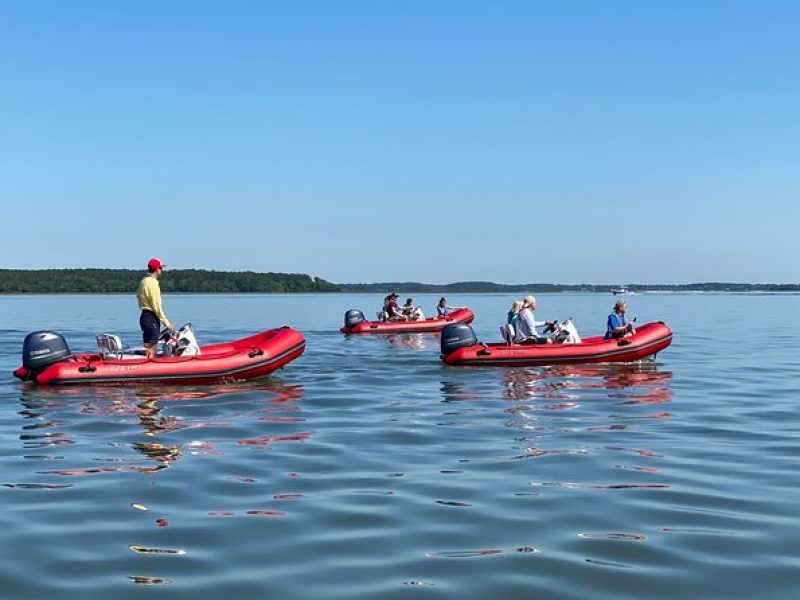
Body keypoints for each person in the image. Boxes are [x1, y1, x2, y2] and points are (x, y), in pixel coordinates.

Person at [137, 258, 174, 359]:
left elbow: (138, 297)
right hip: (151, 317)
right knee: (152, 347)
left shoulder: (143, 281)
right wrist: (167, 323)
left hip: (144, 316)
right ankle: (150, 365)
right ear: (157, 269)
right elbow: (156, 305)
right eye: (161, 268)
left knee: (147, 345)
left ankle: (146, 363)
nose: (162, 271)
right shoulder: (153, 283)